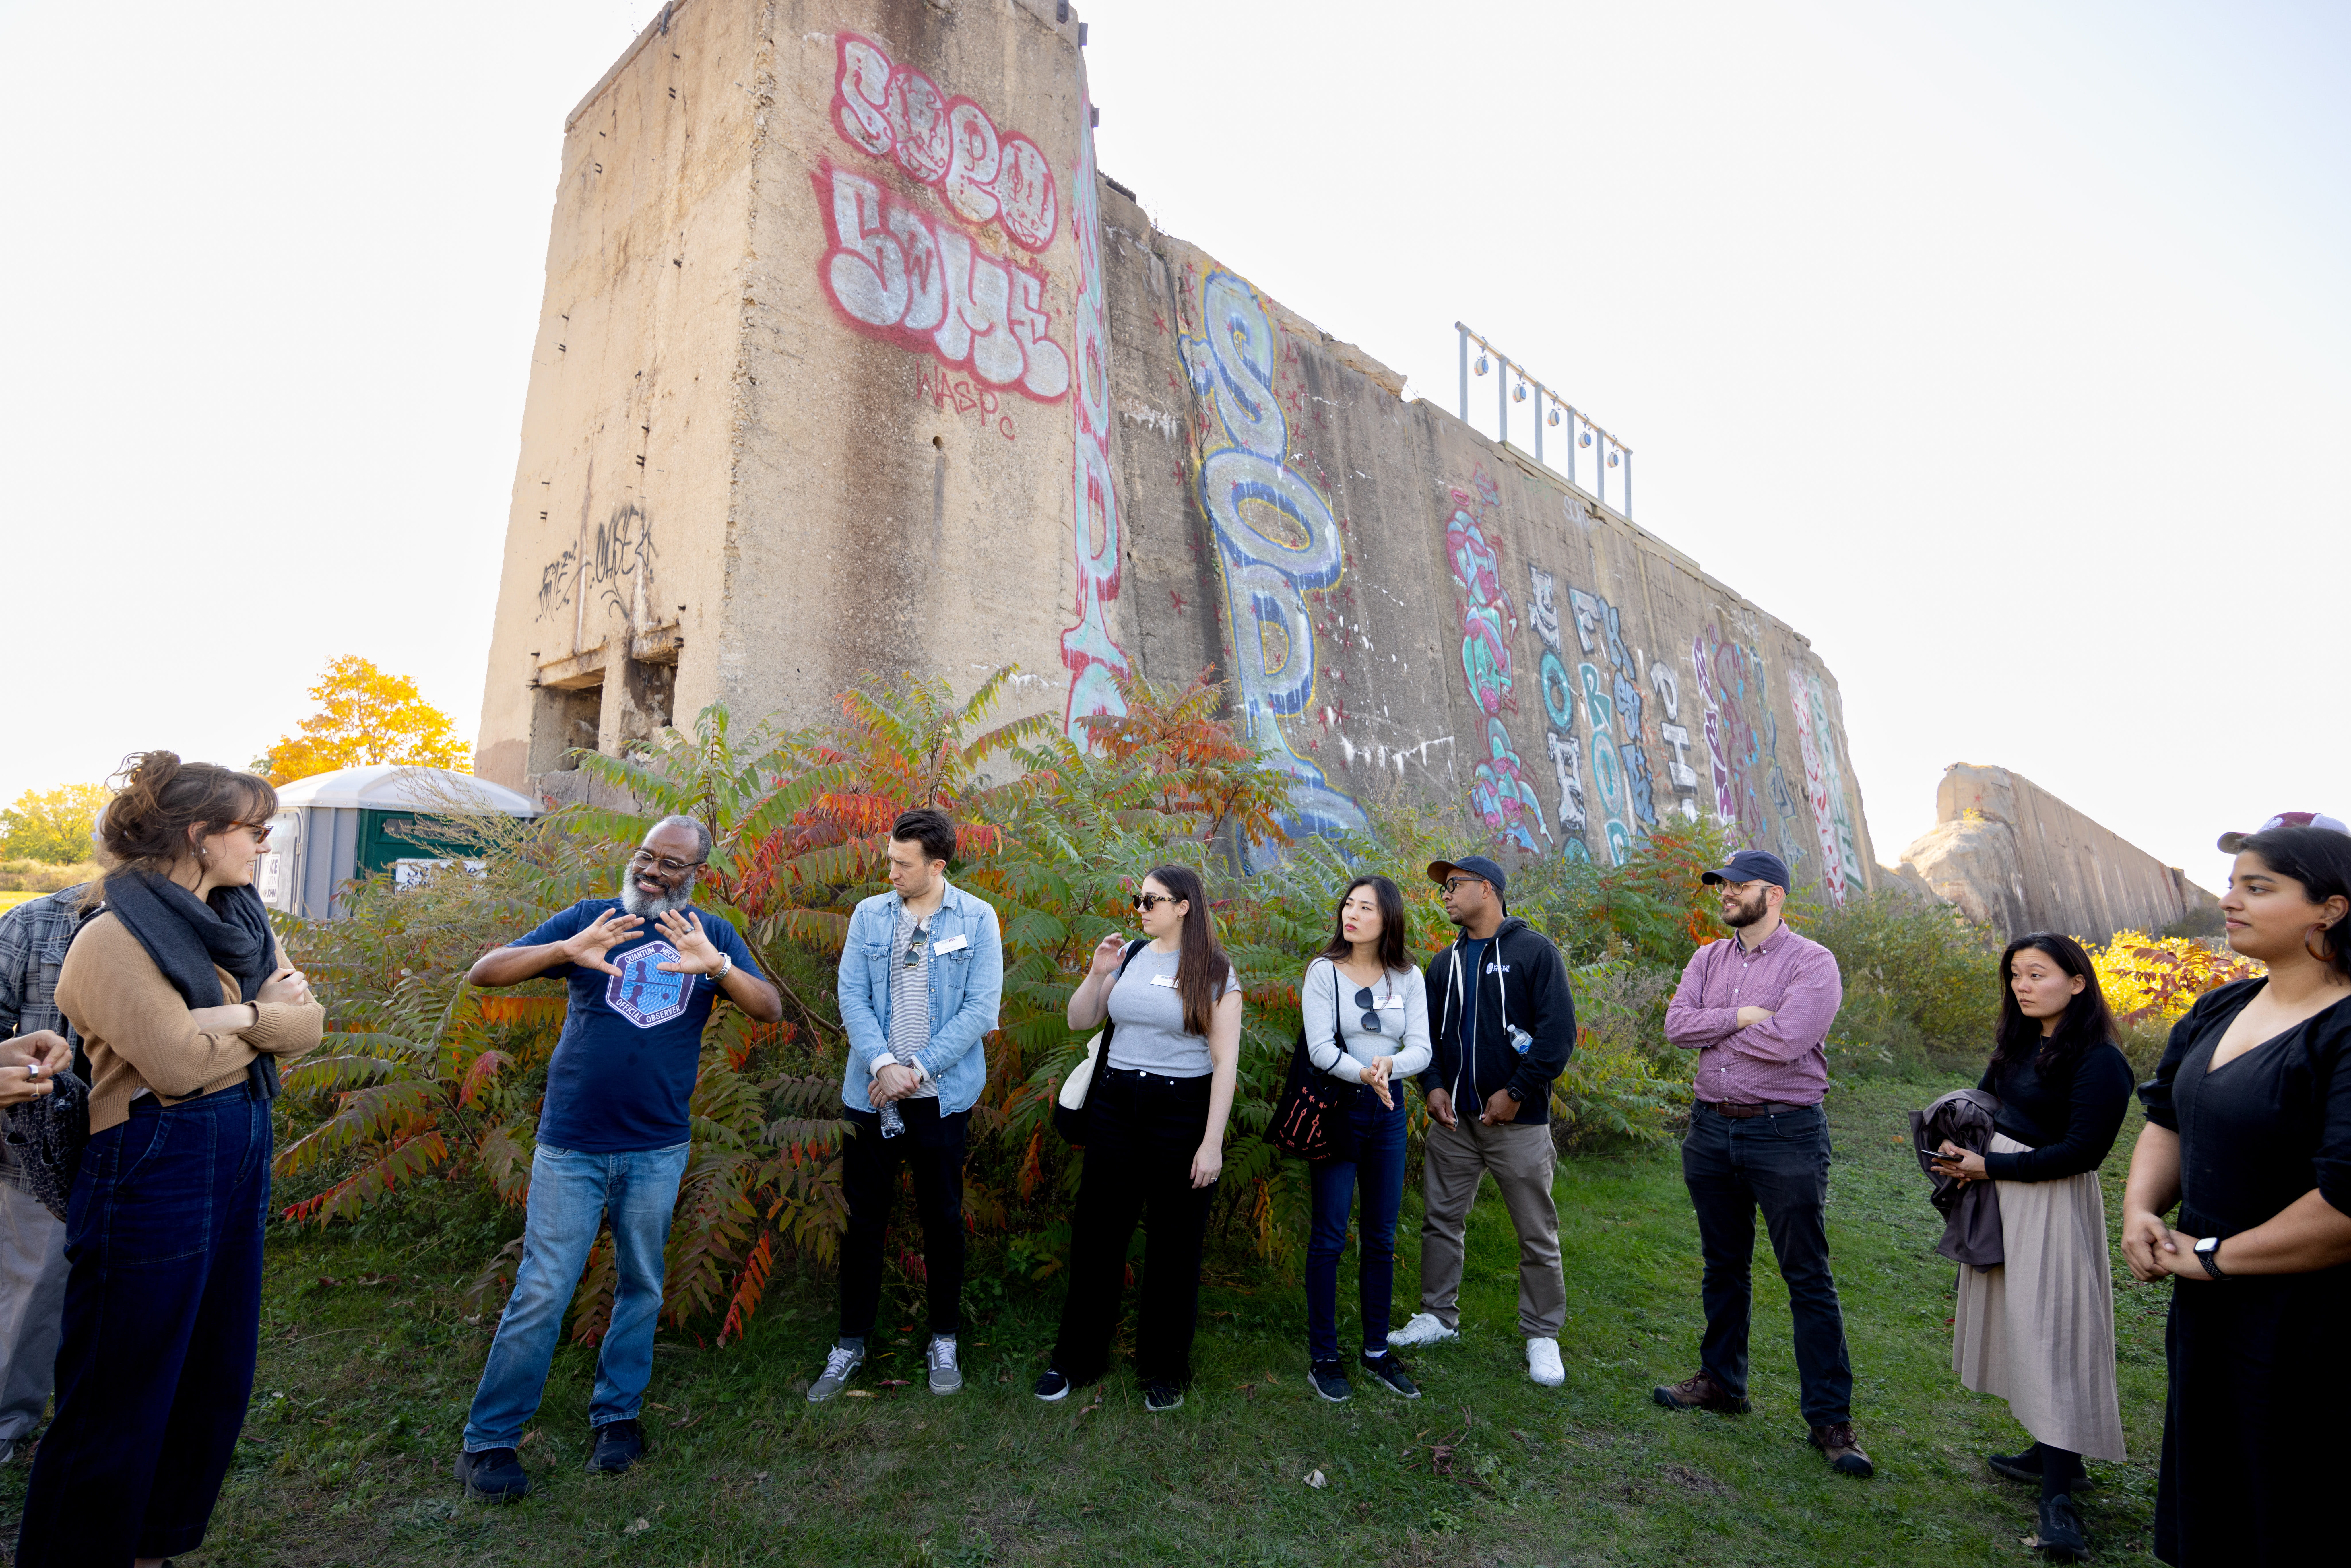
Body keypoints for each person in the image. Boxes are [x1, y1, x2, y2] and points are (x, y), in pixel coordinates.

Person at [16, 753, 324, 1568]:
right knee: (121, 1383)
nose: (264, 844)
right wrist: (259, 1014)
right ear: (201, 834)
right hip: (153, 1156)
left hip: (239, 1143)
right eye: (255, 829)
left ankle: (150, 1550)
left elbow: (310, 1026)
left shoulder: (242, 922)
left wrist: (228, 1021)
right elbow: (177, 1066)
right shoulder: (110, 939)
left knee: (210, 1376)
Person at [453, 816, 780, 1501]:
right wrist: (565, 950)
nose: (653, 870)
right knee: (544, 1286)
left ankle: (617, 1417)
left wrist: (718, 968)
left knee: (642, 1282)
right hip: (572, 1141)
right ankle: (490, 1439)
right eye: (646, 855)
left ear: (696, 874)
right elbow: (485, 972)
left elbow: (769, 1007)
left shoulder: (709, 933)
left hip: (657, 1145)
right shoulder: (591, 918)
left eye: (672, 862)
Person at [2122, 816, 2351, 1565]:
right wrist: (2139, 1209)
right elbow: (2167, 1119)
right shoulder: (2219, 1008)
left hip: (2309, 1319)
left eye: (2258, 887)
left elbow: (2344, 1208)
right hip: (2208, 1306)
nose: (2229, 900)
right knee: (2214, 1493)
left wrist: (2213, 1256)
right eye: (2231, 885)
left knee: (2291, 1502)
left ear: (2331, 908)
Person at [1653, 849, 1869, 1479]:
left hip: (1785, 1134)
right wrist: (1740, 1016)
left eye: (1737, 885)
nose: (1724, 894)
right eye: (1720, 885)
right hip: (1710, 1130)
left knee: (1807, 1274)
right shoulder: (1707, 959)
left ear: (1773, 895)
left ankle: (1830, 1420)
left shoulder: (1812, 962)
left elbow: (1789, 1040)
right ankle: (1722, 1383)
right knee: (1723, 1265)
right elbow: (1676, 1026)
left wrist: (1714, 1030)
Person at [1930, 933, 2133, 1562]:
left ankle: (2059, 1498)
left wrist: (1989, 1167)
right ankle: (2052, 1455)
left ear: (2077, 982)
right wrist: (1958, 1145)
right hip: (2000, 1196)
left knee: (2054, 1333)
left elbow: (2082, 1152)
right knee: (2023, 1325)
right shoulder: (2020, 1041)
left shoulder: (2101, 1061)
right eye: (2016, 974)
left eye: (2037, 974)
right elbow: (1987, 1103)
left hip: (2050, 1203)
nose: (2022, 985)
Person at [808, 808, 1004, 1403]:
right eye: (889, 859)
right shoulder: (869, 915)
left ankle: (944, 1336)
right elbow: (851, 995)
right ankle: (850, 1342)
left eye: (902, 863)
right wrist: (882, 1065)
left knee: (942, 1218)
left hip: (941, 1098)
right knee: (864, 1220)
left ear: (937, 865)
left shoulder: (977, 917)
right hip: (870, 1094)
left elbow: (980, 1009)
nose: (889, 871)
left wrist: (914, 1070)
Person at [1036, 864, 1241, 1412]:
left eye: (1152, 900)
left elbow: (1225, 1063)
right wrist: (1096, 972)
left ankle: (1164, 1368)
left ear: (1184, 906)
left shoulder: (1215, 971)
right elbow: (1081, 1020)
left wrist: (1212, 1143)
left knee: (1175, 1244)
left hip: (1182, 1112)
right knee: (1097, 1235)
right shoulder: (1128, 956)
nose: (1141, 909)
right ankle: (1076, 1360)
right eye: (1138, 900)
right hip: (1115, 1107)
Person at [1388, 855, 1576, 1391]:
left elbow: (1557, 1037)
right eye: (1443, 888)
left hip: (1518, 1124)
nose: (1445, 895)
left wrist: (1516, 1093)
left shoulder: (1535, 953)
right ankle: (1438, 1316)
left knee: (1536, 1232)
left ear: (1488, 889)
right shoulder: (1442, 964)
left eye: (1454, 885)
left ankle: (1542, 1332)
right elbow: (1426, 1037)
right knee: (1441, 1220)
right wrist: (1433, 1087)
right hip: (1456, 1124)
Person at [1299, 875, 1431, 1403]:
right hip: (1340, 1107)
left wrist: (1389, 1067)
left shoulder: (1409, 977)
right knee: (1330, 1236)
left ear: (1388, 919)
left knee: (1381, 1236)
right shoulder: (1323, 972)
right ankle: (1324, 1357)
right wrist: (1364, 1074)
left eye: (1366, 908)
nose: (1352, 915)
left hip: (1389, 1111)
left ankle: (1377, 1351)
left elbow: (1421, 1048)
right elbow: (1319, 1049)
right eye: (1349, 905)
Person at [0, 882, 91, 1465]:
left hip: (151, 1151)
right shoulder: (35, 921)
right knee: (31, 1287)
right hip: (42, 1153)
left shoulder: (209, 917)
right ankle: (7, 1423)